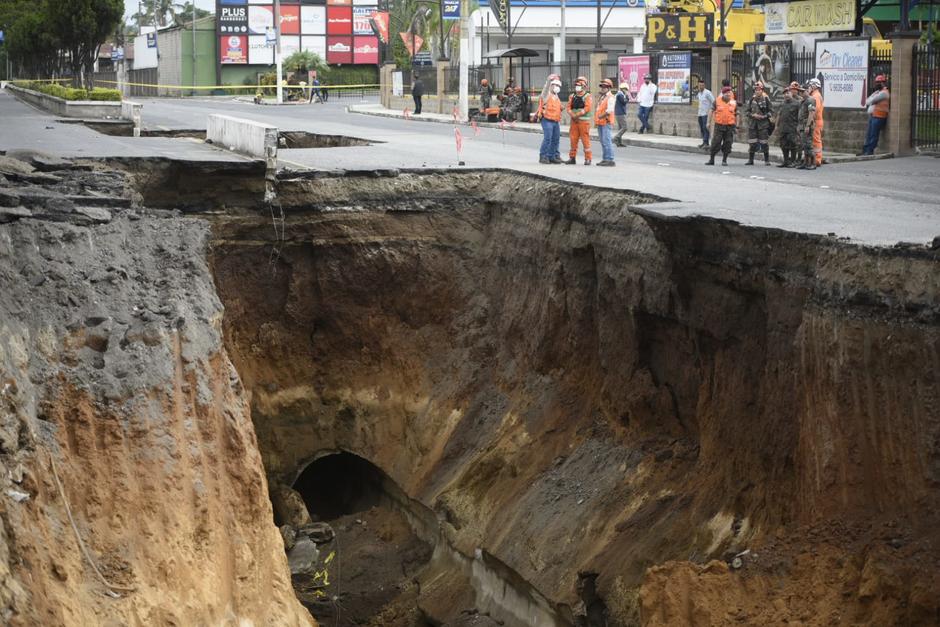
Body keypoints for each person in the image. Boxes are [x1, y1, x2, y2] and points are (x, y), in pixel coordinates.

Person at [706, 86, 738, 166]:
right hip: (719, 126)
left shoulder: (733, 102)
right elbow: (711, 110)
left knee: (728, 143)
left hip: (730, 126)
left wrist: (737, 126)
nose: (728, 94)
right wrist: (708, 122)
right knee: (715, 143)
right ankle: (711, 159)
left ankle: (724, 160)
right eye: (727, 93)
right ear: (723, 94)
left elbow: (737, 114)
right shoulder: (717, 101)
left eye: (729, 93)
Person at [745, 81, 774, 165]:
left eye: (759, 90)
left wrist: (763, 116)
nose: (757, 91)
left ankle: (767, 160)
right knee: (752, 143)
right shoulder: (751, 99)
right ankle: (751, 160)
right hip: (753, 125)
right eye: (756, 90)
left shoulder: (766, 99)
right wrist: (752, 115)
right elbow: (747, 112)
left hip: (763, 125)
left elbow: (771, 111)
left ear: (762, 90)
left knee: (764, 142)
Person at [566, 76, 593, 165]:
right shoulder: (572, 96)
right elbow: (568, 107)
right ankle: (572, 158)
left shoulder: (588, 96)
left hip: (584, 122)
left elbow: (587, 108)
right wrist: (572, 115)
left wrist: (577, 115)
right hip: (574, 121)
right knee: (573, 139)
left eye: (579, 85)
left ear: (584, 86)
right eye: (576, 85)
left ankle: (588, 159)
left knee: (585, 140)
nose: (577, 87)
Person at [537, 75, 563, 164]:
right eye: (555, 85)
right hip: (547, 120)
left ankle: (551, 156)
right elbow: (545, 88)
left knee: (556, 139)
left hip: (555, 121)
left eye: (558, 86)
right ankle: (543, 156)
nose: (557, 87)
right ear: (551, 85)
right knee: (548, 138)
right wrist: (548, 80)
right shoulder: (546, 94)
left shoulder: (556, 96)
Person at [861, 74, 889, 155]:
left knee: (874, 135)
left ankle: (869, 151)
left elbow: (871, 101)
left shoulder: (884, 93)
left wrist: (872, 99)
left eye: (878, 83)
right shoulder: (878, 92)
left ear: (883, 83)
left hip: (879, 116)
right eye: (876, 82)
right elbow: (867, 101)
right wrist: (872, 98)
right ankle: (865, 150)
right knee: (869, 134)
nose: (876, 84)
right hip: (873, 116)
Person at [776, 81, 802, 168]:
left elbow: (800, 116)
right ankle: (786, 161)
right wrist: (777, 126)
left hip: (792, 128)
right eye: (785, 93)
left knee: (793, 145)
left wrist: (799, 127)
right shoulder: (782, 104)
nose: (786, 95)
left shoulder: (797, 103)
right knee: (783, 145)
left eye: (788, 93)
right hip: (783, 128)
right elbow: (779, 115)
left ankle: (793, 161)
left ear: (791, 93)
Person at [594, 79, 616, 166]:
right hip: (601, 122)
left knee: (607, 141)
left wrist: (601, 116)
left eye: (605, 87)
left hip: (606, 122)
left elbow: (609, 110)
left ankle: (609, 159)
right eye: (602, 86)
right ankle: (605, 158)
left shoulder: (610, 97)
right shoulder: (602, 97)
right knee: (603, 141)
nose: (603, 88)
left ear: (609, 88)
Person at [797, 80, 818, 170]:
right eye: (800, 91)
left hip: (807, 125)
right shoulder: (803, 101)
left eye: (803, 91)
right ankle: (806, 162)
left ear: (807, 91)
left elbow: (811, 114)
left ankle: (813, 163)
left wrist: (807, 126)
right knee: (804, 145)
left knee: (808, 144)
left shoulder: (811, 100)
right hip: (802, 125)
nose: (801, 93)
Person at [807, 77, 824, 165]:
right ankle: (814, 158)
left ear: (814, 86)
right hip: (817, 120)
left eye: (810, 85)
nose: (808, 87)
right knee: (814, 140)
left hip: (816, 121)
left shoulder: (815, 96)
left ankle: (817, 159)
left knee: (816, 140)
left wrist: (810, 122)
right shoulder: (816, 95)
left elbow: (814, 110)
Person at [696, 81, 715, 148]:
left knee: (705, 128)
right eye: (700, 85)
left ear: (704, 86)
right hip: (700, 113)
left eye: (702, 85)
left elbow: (714, 101)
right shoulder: (699, 94)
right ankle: (704, 142)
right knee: (702, 128)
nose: (701, 87)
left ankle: (706, 143)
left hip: (706, 114)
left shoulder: (707, 93)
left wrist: (711, 110)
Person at [614, 82, 632, 147]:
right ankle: (616, 137)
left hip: (618, 113)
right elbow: (624, 102)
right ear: (623, 89)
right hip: (620, 113)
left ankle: (619, 143)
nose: (627, 91)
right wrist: (627, 96)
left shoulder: (619, 94)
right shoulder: (620, 95)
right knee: (625, 127)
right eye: (626, 90)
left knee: (620, 128)